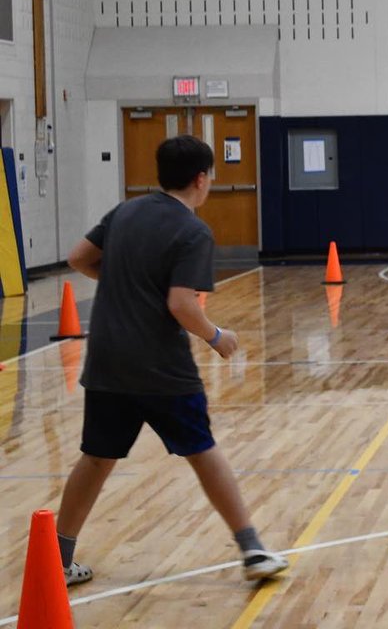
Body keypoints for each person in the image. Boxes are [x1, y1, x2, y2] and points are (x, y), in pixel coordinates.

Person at [56, 135, 288, 586]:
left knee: (96, 458)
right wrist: (216, 336)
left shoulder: (125, 211)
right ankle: (252, 548)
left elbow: (78, 258)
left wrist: (127, 281)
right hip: (160, 368)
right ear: (201, 180)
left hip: (106, 361)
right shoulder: (192, 230)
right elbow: (182, 303)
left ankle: (56, 560)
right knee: (203, 452)